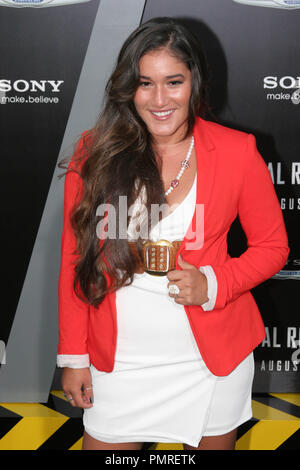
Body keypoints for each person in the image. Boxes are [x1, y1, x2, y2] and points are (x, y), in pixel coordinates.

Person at [56, 17, 289, 451]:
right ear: (129, 88)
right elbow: (75, 261)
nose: (159, 99)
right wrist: (73, 356)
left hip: (210, 361)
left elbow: (274, 247)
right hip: (117, 362)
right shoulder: (94, 153)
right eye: (145, 83)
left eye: (173, 82)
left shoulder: (237, 152)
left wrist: (213, 284)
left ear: (194, 83)